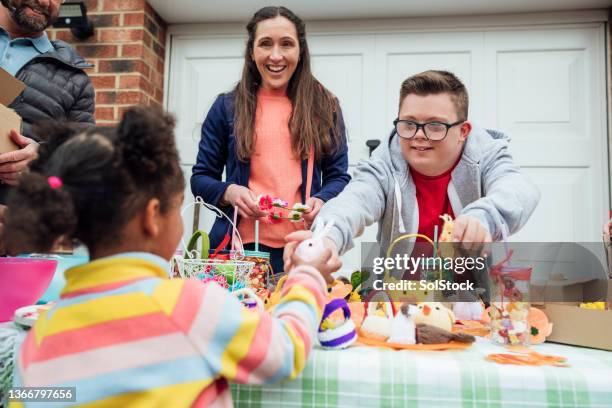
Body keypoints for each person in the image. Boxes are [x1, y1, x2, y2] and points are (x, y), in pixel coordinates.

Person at [4, 107, 339, 407]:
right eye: (176, 208)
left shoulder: (39, 338)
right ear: (152, 217)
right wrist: (307, 274)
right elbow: (284, 351)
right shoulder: (188, 307)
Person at [296, 70, 540, 275]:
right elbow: (353, 202)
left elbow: (519, 188)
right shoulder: (384, 164)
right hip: (396, 303)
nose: (419, 135)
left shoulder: (486, 154)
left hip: (473, 301)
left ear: (463, 131)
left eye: (435, 125)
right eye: (409, 124)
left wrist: (482, 218)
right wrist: (323, 240)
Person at [191, 6, 350, 274]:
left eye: (286, 44)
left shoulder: (325, 106)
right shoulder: (226, 107)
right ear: (252, 52)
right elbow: (201, 178)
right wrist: (229, 191)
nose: (276, 55)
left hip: (301, 251)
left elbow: (339, 177)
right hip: (237, 250)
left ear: (300, 51)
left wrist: (322, 199)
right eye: (265, 44)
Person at [0, 0, 95, 204]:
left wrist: (42, 163)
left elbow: (83, 165)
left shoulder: (75, 80)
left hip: (14, 223)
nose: (45, 2)